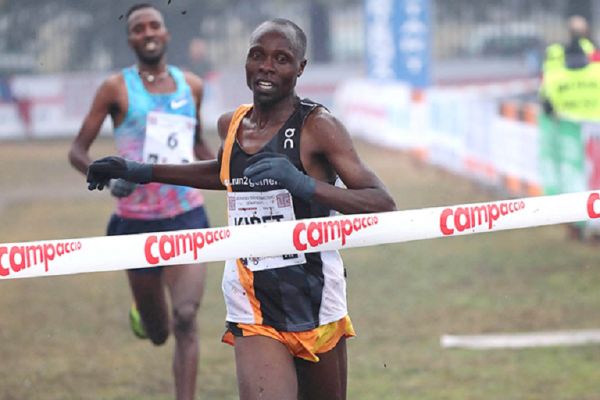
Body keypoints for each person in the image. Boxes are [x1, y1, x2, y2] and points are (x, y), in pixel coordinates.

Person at [86, 18, 396, 400]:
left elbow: (381, 201)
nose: (267, 66)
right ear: (246, 62)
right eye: (257, 55)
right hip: (252, 297)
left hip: (315, 297)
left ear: (300, 68)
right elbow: (223, 174)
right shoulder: (232, 124)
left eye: (282, 59)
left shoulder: (319, 126)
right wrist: (141, 170)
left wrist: (303, 184)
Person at [68, 4, 214, 400]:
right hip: (134, 221)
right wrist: (104, 175)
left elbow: (196, 142)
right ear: (130, 38)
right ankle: (144, 313)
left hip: (187, 214)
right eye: (138, 28)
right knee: (159, 332)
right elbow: (78, 151)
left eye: (154, 25)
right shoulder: (116, 88)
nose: (147, 32)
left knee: (186, 318)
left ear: (166, 33)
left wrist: (223, 169)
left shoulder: (193, 86)